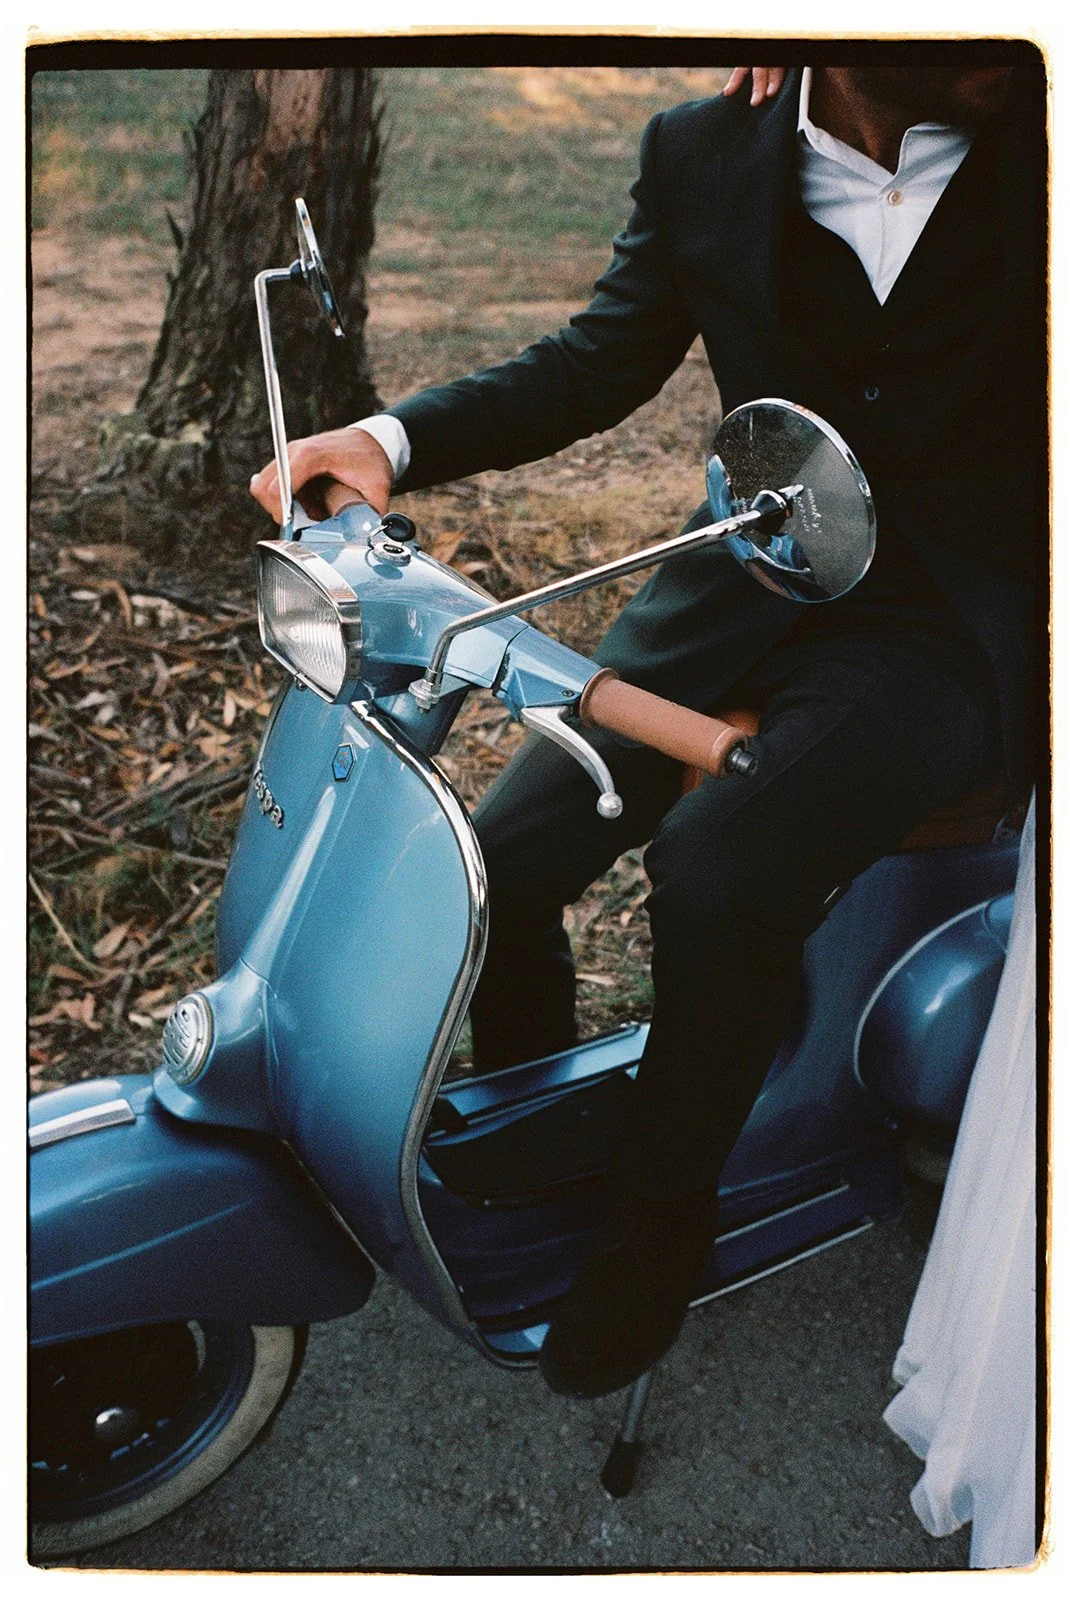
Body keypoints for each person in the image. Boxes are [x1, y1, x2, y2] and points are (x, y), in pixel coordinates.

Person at [251, 58, 1046, 1400]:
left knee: (719, 869)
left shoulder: (1041, 130)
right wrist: (392, 440)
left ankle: (661, 1217)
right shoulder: (700, 151)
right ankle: (545, 1100)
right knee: (492, 863)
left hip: (948, 620)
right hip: (747, 581)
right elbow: (599, 359)